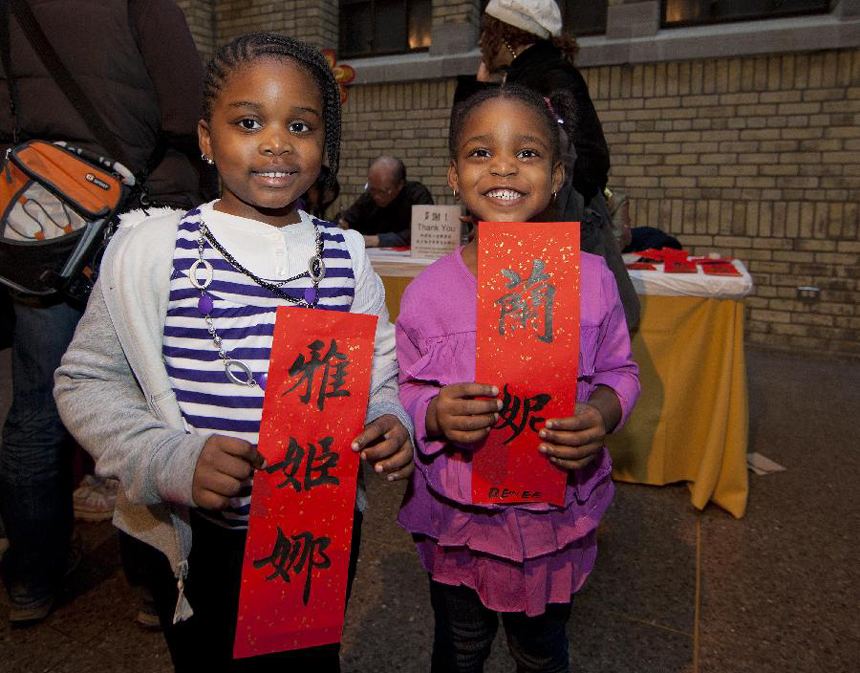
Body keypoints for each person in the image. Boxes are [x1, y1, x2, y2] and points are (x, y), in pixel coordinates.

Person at [54, 33, 414, 672]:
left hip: (313, 529)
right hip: (195, 541)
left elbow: (378, 370)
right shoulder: (150, 251)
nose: (276, 142)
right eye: (248, 122)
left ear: (323, 145)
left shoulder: (347, 257)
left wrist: (389, 417)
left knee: (307, 660)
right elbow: (87, 381)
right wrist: (167, 456)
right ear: (204, 136)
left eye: (300, 125)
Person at [396, 84, 640, 672]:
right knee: (459, 648)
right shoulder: (428, 292)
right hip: (460, 519)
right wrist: (432, 413)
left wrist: (601, 415)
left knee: (541, 650)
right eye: (481, 153)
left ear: (558, 176)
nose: (503, 165)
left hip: (550, 515)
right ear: (453, 177)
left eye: (527, 153)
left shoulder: (594, 281)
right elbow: (401, 385)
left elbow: (619, 372)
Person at [0, 0, 205, 625]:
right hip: (131, 217)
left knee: (37, 402)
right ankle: (152, 584)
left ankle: (31, 576)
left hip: (38, 222)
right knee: (146, 396)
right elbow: (186, 104)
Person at [338, 155, 433, 247]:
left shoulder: (417, 196)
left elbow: (423, 233)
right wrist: (341, 226)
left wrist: (375, 240)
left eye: (382, 191)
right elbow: (346, 219)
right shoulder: (369, 197)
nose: (376, 196)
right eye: (372, 189)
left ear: (400, 185)